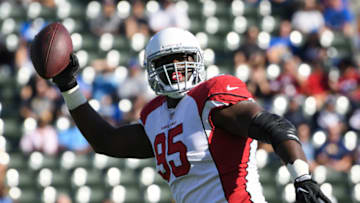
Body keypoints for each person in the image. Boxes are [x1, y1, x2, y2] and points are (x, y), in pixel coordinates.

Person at [31, 27, 331, 203]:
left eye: (182, 58)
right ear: (151, 68)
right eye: (167, 60)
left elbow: (273, 126)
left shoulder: (211, 96)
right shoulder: (154, 116)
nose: (175, 67)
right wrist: (69, 86)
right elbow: (106, 141)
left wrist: (302, 177)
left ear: (197, 61)